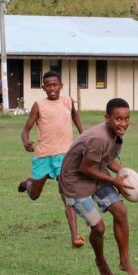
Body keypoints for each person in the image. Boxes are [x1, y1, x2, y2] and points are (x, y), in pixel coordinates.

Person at [59, 98, 138, 275]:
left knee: (120, 211)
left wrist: (127, 175)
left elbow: (106, 159)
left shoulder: (116, 134)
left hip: (96, 174)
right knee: (99, 228)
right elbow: (85, 168)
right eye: (119, 119)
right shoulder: (99, 138)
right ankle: (101, 262)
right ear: (107, 118)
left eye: (127, 118)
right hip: (75, 183)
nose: (123, 123)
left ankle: (124, 261)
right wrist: (114, 181)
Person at [18, 71, 85, 248]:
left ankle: (74, 236)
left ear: (61, 85)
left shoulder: (68, 101)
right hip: (44, 155)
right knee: (34, 195)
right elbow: (26, 130)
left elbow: (74, 115)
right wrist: (26, 142)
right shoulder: (38, 105)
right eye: (48, 85)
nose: (52, 88)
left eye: (55, 84)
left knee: (68, 196)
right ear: (43, 88)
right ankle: (27, 184)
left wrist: (83, 135)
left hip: (65, 155)